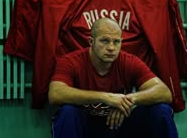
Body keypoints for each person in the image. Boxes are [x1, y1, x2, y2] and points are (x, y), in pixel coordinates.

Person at [48, 18, 178, 138]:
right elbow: (55, 94)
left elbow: (164, 92)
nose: (111, 48)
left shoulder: (129, 61)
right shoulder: (71, 61)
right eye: (104, 41)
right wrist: (106, 97)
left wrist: (126, 101)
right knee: (67, 112)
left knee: (161, 109)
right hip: (85, 127)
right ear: (91, 42)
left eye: (116, 42)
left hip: (120, 126)